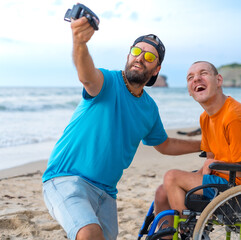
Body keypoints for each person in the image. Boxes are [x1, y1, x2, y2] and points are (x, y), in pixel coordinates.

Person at [41, 16, 200, 240]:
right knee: (88, 233)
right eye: (136, 51)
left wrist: (203, 144)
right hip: (66, 179)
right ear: (128, 56)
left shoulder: (149, 108)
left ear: (156, 69)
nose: (140, 58)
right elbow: (87, 77)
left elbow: (164, 144)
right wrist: (80, 42)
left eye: (149, 56)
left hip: (106, 192)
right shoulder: (107, 82)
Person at [154, 61, 241, 236]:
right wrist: (204, 170)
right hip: (221, 178)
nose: (196, 78)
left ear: (219, 80)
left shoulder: (233, 117)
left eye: (203, 73)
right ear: (190, 91)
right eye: (190, 77)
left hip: (240, 187)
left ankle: (188, 229)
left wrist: (214, 165)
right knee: (162, 192)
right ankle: (167, 237)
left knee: (172, 177)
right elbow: (211, 156)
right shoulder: (206, 117)